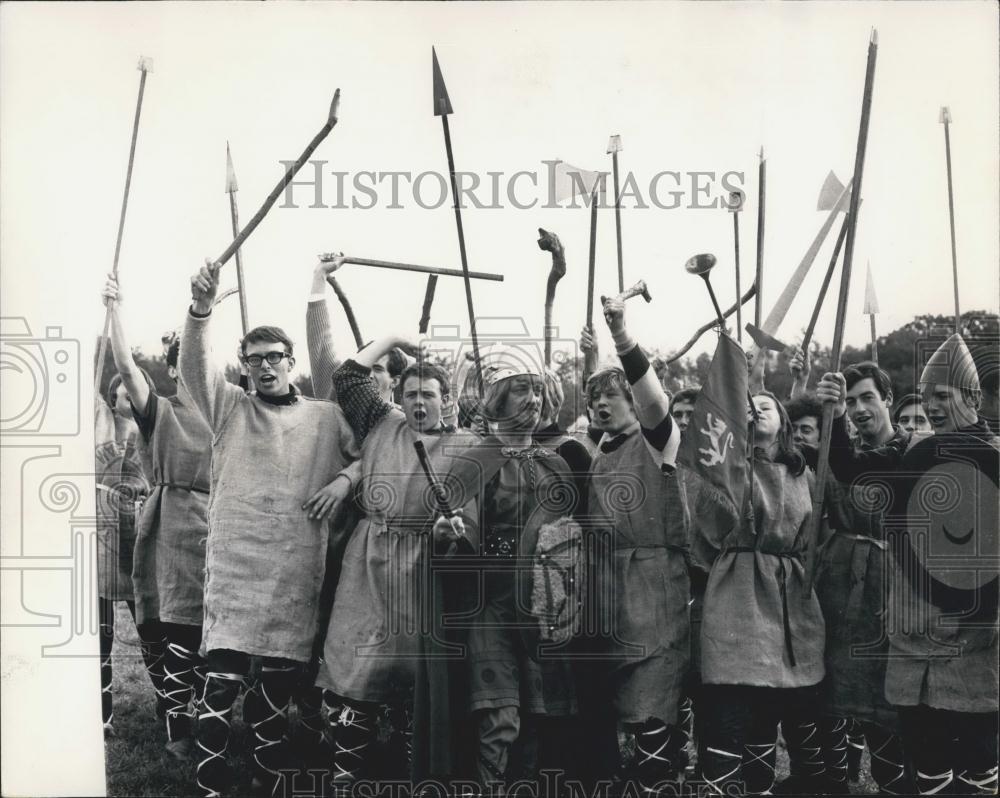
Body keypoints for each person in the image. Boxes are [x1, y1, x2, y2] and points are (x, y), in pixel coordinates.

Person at [182, 259, 360, 798]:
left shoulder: (325, 416)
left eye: (273, 357)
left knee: (275, 694)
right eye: (253, 358)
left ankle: (267, 779)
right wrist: (200, 311)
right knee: (219, 688)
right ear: (244, 366)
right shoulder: (230, 408)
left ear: (291, 361)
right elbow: (194, 368)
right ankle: (211, 786)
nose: (264, 366)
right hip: (236, 572)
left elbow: (372, 455)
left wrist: (344, 481)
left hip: (294, 573)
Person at [816, 333, 999, 796]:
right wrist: (834, 414)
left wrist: (981, 615)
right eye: (926, 395)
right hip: (913, 633)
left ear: (973, 398)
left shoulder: (995, 457)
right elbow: (849, 468)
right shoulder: (913, 453)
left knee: (977, 760)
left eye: (943, 395)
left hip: (975, 638)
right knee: (927, 758)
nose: (932, 406)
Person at [314, 328, 476, 792]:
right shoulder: (382, 422)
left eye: (429, 395)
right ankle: (346, 779)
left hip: (422, 571)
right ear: (399, 398)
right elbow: (348, 376)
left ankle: (413, 777)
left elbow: (472, 521)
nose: (418, 403)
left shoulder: (466, 445)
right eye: (410, 394)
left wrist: (450, 532)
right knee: (355, 672)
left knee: (416, 682)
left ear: (447, 400)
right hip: (367, 564)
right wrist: (394, 338)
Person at [424, 343, 584, 791]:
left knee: (536, 716)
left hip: (542, 609)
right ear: (497, 399)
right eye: (520, 390)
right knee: (499, 715)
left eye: (538, 390)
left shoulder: (556, 464)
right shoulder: (476, 460)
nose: (532, 399)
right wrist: (446, 534)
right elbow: (456, 532)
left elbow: (570, 539)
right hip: (488, 605)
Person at [580, 294, 690, 794]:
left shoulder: (658, 440)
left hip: (653, 584)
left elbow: (653, 398)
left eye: (612, 396)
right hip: (608, 589)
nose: (601, 405)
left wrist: (620, 336)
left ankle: (659, 779)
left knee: (652, 699)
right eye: (594, 399)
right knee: (622, 706)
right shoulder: (598, 452)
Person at [102, 275, 213, 760]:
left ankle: (209, 714)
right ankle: (177, 724)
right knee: (174, 629)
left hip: (223, 526)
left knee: (215, 633)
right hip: (172, 526)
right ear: (171, 368)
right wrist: (114, 309)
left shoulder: (229, 409)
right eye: (182, 361)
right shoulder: (160, 410)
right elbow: (127, 369)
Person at [695, 391, 826, 797]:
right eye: (748, 407)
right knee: (733, 697)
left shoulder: (804, 475)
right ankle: (722, 786)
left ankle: (764, 786)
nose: (755, 410)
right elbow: (706, 532)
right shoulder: (726, 470)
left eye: (765, 406)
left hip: (790, 595)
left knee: (780, 699)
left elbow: (816, 538)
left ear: (784, 422)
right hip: (737, 591)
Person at [809, 362, 911, 794]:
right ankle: (840, 781)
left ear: (888, 399)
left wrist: (908, 593)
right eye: (850, 402)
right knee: (840, 692)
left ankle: (898, 783)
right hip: (841, 586)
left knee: (891, 700)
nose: (859, 408)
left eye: (868, 397)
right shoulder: (838, 453)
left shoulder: (911, 452)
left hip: (895, 586)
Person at [94, 367, 164, 738]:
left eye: (132, 394)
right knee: (100, 637)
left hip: (141, 546)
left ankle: (169, 705)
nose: (126, 401)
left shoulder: (153, 432)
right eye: (120, 396)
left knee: (152, 633)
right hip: (102, 548)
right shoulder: (99, 433)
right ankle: (102, 714)